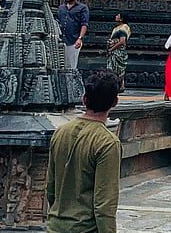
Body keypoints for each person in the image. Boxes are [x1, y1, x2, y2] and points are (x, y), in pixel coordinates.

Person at [46, 70, 121, 233]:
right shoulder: (107, 142)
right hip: (85, 228)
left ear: (84, 98)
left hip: (56, 226)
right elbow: (104, 203)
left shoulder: (60, 132)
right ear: (115, 102)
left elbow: (50, 187)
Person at [56, 0, 89, 70]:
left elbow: (84, 24)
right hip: (60, 40)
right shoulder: (61, 8)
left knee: (71, 66)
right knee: (59, 65)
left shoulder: (82, 8)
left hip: (73, 40)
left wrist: (80, 38)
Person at [105, 12, 130, 92]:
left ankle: (118, 85)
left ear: (121, 19)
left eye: (118, 16)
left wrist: (111, 49)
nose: (116, 16)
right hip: (114, 51)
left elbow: (122, 41)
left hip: (118, 51)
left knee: (117, 69)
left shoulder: (123, 28)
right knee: (113, 69)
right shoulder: (117, 28)